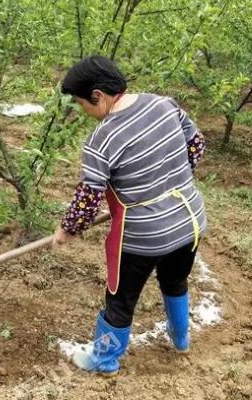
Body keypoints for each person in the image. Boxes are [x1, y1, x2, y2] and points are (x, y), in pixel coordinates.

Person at [51, 56, 207, 374]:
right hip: (190, 220)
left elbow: (88, 199)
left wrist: (67, 229)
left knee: (120, 301)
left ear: (98, 95)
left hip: (143, 238)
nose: (84, 112)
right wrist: (167, 181)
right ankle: (181, 339)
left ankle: (104, 360)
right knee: (175, 280)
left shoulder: (101, 140)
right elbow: (196, 145)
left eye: (82, 104)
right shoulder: (164, 104)